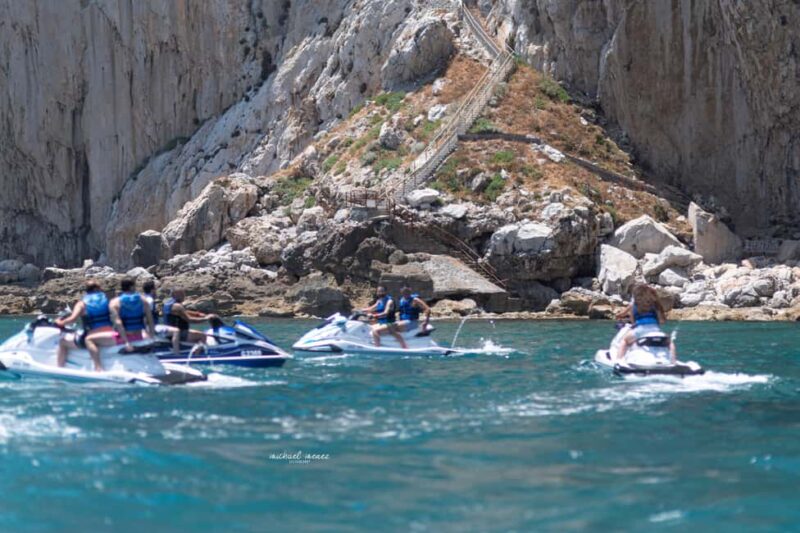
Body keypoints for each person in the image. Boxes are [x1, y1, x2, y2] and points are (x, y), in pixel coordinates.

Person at [55, 279, 116, 371]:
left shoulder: (82, 304)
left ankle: (59, 369)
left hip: (93, 336)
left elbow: (72, 319)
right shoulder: (107, 301)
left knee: (62, 342)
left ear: (86, 290)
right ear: (99, 289)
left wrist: (60, 322)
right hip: (109, 334)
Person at [615, 283, 676, 362]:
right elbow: (662, 320)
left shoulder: (635, 305)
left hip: (640, 330)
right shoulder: (655, 304)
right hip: (656, 330)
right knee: (670, 342)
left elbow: (633, 321)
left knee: (625, 341)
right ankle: (673, 361)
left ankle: (619, 360)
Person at [162, 288, 218, 355]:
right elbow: (189, 319)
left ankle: (191, 350)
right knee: (203, 336)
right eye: (181, 294)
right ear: (174, 294)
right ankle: (196, 355)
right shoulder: (177, 306)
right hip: (180, 333)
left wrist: (198, 314)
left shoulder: (168, 303)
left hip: (169, 331)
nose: (184, 296)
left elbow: (183, 312)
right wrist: (206, 318)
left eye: (183, 293)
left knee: (196, 335)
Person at [109, 277, 156, 348]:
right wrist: (152, 336)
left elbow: (118, 323)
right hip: (139, 336)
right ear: (132, 287)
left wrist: (126, 342)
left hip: (123, 339)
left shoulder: (114, 302)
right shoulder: (143, 299)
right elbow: (150, 320)